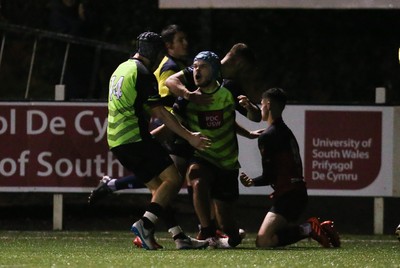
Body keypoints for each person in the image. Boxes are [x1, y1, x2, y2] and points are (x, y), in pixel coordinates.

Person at [106, 31, 211, 250]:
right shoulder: (144, 73)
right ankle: (144, 225)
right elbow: (161, 114)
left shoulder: (121, 68)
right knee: (173, 179)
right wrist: (190, 137)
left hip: (116, 141)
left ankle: (179, 237)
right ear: (155, 52)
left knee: (159, 192)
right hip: (135, 137)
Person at [173, 50, 258, 249]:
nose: (196, 71)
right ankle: (206, 230)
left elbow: (255, 118)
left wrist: (251, 108)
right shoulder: (188, 97)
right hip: (202, 156)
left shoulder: (229, 89)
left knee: (227, 225)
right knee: (196, 176)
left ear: (214, 69)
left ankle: (231, 233)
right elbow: (171, 123)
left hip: (227, 162)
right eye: (194, 67)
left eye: (202, 66)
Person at [239, 87, 341, 248]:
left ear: (268, 104)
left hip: (289, 195)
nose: (261, 107)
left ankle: (309, 228)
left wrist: (251, 182)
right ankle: (321, 229)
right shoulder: (285, 131)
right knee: (272, 236)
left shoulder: (268, 136)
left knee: (264, 241)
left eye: (262, 103)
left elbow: (270, 176)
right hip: (296, 193)